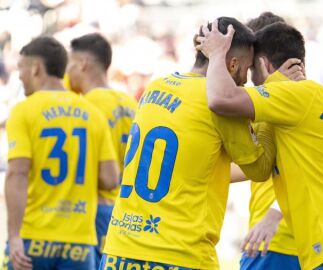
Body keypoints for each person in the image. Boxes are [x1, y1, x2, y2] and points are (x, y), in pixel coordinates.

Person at [196, 20, 323, 269]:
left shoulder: (299, 96)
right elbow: (257, 167)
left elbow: (222, 98)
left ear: (263, 63)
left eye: (251, 69)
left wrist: (216, 55)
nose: (248, 81)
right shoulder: (307, 103)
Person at [100, 17, 276, 270]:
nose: (246, 80)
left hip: (120, 250)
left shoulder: (156, 86)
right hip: (179, 254)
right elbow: (259, 168)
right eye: (247, 70)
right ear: (232, 63)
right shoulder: (220, 103)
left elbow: (192, 167)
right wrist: (272, 107)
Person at [4, 36, 119, 270]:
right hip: (79, 245)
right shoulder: (92, 113)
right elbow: (109, 179)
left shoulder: (24, 111)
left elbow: (17, 174)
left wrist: (14, 236)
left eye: (21, 68)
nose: (19, 75)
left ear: (36, 67)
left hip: (33, 237)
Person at [66, 32, 138, 268]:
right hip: (128, 212)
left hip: (95, 210)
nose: (67, 72)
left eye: (69, 64)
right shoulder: (131, 103)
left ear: (82, 64)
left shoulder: (82, 108)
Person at [239, 12, 300, 270]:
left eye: (251, 66)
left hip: (272, 241)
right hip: (301, 242)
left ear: (263, 61)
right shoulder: (293, 99)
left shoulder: (281, 102)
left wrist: (273, 215)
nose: (249, 76)